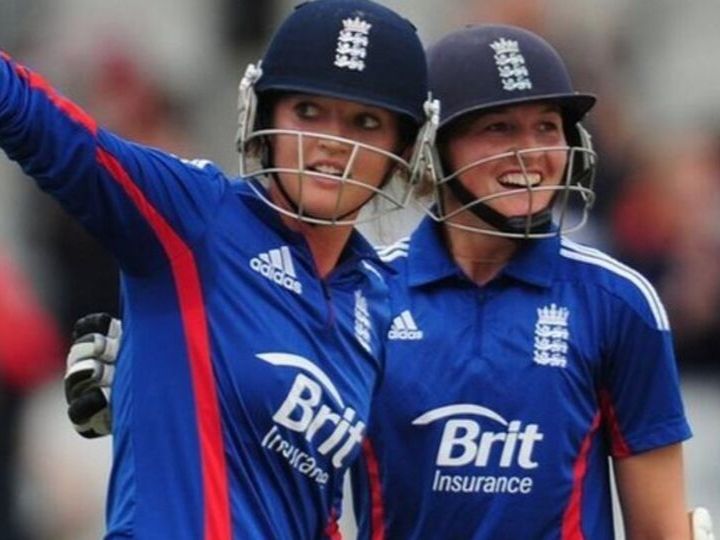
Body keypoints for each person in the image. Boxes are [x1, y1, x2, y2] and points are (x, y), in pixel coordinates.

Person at [0, 0, 435, 537]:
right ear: (265, 116)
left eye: (365, 122)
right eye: (307, 110)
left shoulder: (375, 300)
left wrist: (149, 382)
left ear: (404, 148)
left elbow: (309, 507)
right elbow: (43, 127)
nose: (331, 141)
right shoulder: (197, 216)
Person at [349, 24, 694, 539]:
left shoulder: (618, 301)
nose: (531, 152)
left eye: (547, 127)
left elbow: (662, 530)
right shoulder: (363, 292)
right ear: (432, 147)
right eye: (498, 128)